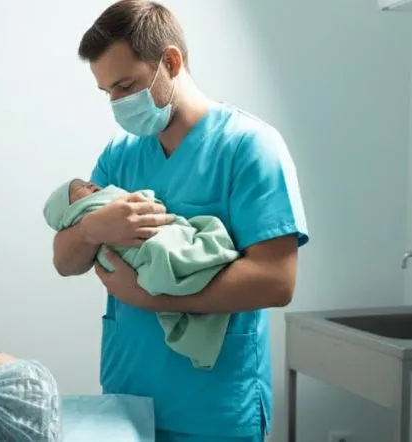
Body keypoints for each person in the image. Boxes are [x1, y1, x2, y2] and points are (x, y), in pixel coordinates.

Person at [53, 1, 309, 441]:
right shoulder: (121, 156)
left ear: (170, 62)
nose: (116, 103)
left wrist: (151, 296)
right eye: (107, 92)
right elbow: (66, 260)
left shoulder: (250, 148)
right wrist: (94, 229)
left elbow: (276, 280)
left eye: (125, 85)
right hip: (127, 397)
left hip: (214, 405)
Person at [43, 178, 239, 369]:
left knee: (164, 252)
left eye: (86, 183)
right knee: (159, 256)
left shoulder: (243, 152)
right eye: (81, 188)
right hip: (129, 364)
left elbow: (268, 281)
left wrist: (146, 299)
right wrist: (89, 229)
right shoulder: (115, 159)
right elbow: (63, 263)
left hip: (224, 377)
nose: (91, 185)